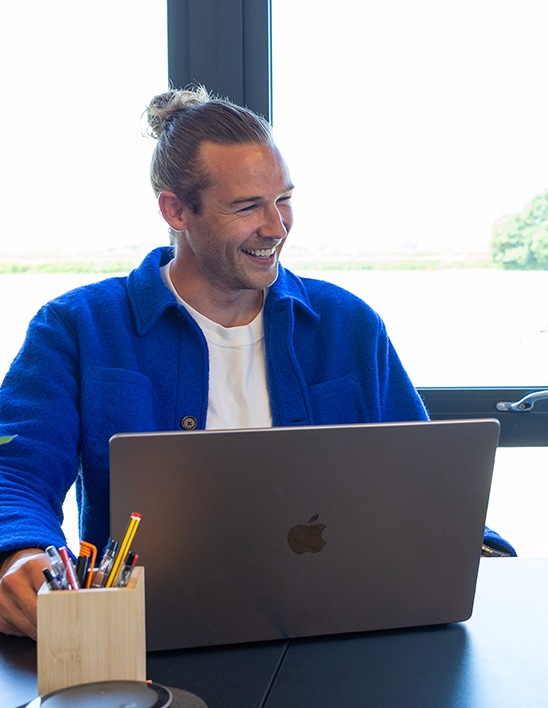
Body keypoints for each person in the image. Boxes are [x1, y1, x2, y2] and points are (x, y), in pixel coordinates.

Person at [0, 87, 513, 639]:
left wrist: (478, 549)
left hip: (338, 633)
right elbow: (14, 473)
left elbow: (424, 484)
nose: (276, 226)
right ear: (176, 210)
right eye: (247, 207)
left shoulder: (349, 326)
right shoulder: (77, 328)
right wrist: (19, 555)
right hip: (143, 643)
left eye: (283, 199)